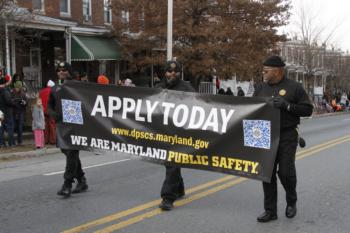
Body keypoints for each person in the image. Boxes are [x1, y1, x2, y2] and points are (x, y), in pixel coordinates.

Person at [253, 55, 313, 222]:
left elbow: (308, 110)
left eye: (266, 70)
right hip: (264, 134)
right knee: (267, 174)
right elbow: (250, 108)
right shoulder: (259, 88)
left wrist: (287, 105)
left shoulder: (294, 87)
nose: (263, 72)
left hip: (287, 134)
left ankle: (291, 201)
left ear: (277, 71)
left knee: (286, 172)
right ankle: (270, 211)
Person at [156, 60, 195, 211]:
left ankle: (167, 198)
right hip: (162, 132)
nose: (173, 73)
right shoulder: (158, 88)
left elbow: (196, 108)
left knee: (172, 162)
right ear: (165, 72)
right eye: (169, 71)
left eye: (176, 71)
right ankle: (179, 189)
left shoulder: (187, 89)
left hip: (179, 133)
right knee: (170, 163)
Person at [48, 62, 88, 198]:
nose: (61, 72)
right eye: (59, 70)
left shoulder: (76, 86)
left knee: (71, 152)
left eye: (64, 70)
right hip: (61, 125)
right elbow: (49, 105)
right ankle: (81, 179)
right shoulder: (55, 87)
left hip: (74, 125)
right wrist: (54, 114)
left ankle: (67, 183)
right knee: (68, 152)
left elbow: (86, 103)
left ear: (69, 72)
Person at [39, 80, 56, 145]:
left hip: (42, 110)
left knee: (45, 126)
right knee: (52, 125)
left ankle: (45, 140)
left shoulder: (42, 91)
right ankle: (53, 140)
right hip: (51, 110)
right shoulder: (53, 91)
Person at [0, 76, 15, 147]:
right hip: (7, 112)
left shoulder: (3, 89)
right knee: (10, 127)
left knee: (1, 128)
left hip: (1, 112)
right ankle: (11, 143)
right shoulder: (5, 90)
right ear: (7, 81)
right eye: (10, 80)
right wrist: (14, 102)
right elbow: (8, 101)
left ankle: (2, 143)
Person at [11, 80, 27, 145]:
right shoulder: (11, 93)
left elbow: (26, 102)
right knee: (13, 127)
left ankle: (20, 141)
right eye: (17, 87)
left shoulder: (23, 94)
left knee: (20, 127)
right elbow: (9, 101)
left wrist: (24, 102)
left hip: (21, 111)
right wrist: (14, 102)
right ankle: (12, 141)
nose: (17, 89)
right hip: (13, 112)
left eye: (19, 88)